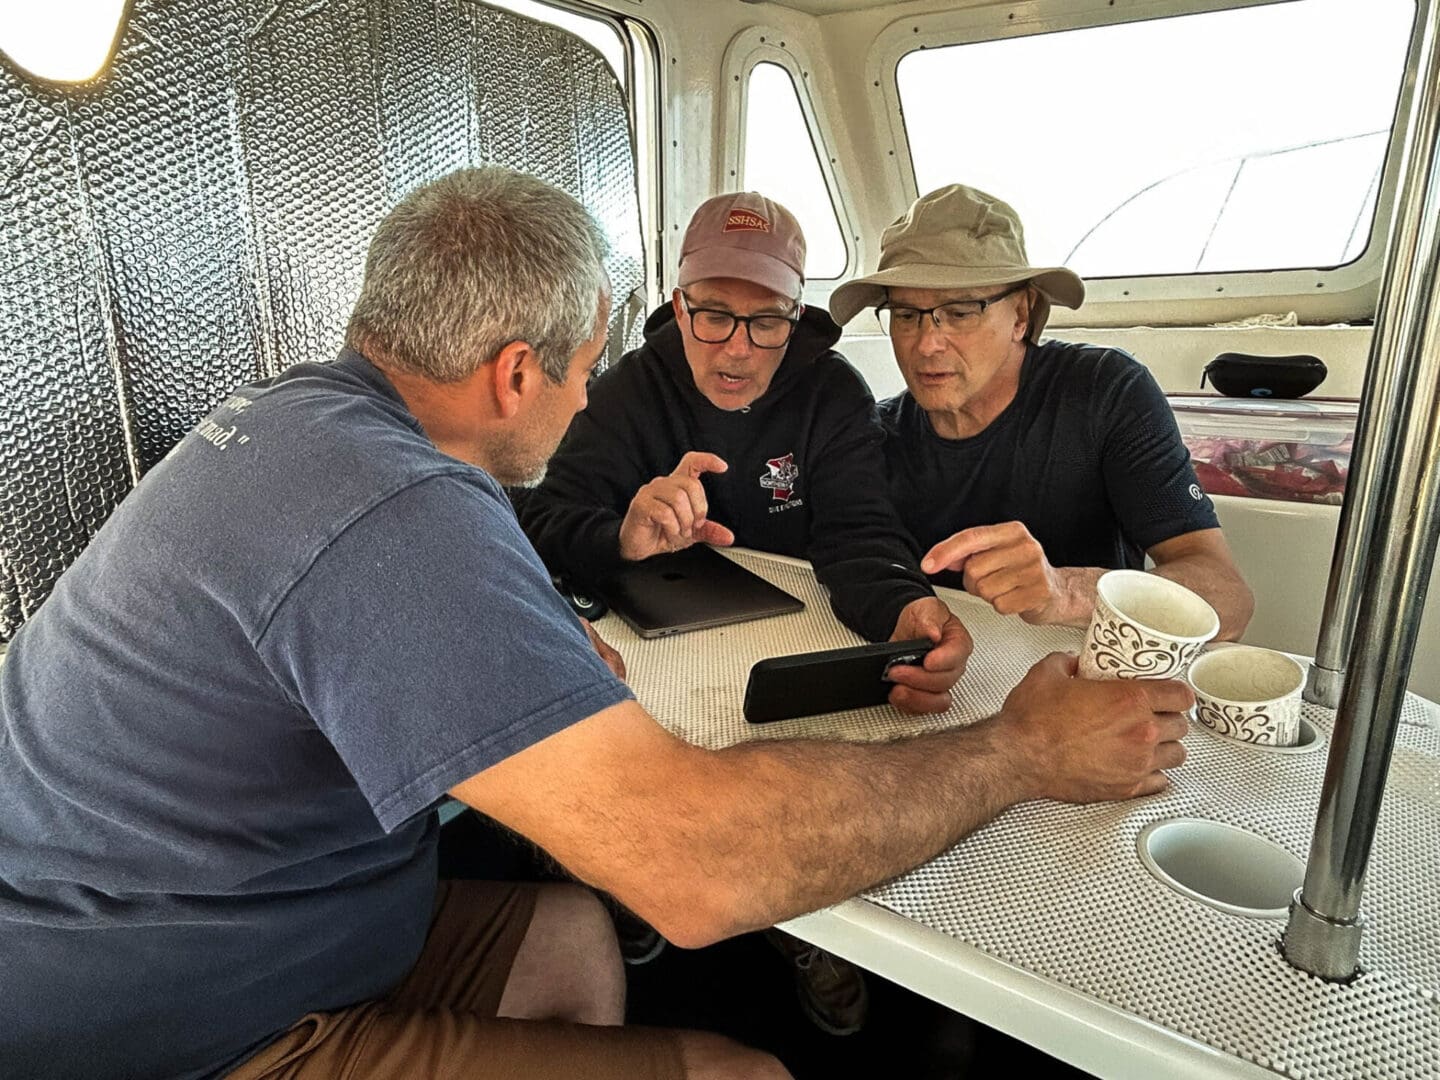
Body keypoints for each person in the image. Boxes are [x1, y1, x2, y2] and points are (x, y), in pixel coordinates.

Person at [0, 167, 1194, 1080]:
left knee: (574, 929)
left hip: (259, 911)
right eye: (579, 369)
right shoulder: (397, 505)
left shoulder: (298, 419)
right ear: (519, 373)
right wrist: (1022, 751)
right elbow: (696, 867)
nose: (587, 394)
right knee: (754, 1071)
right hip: (172, 1023)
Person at [515, 191, 972, 1032]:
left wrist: (907, 610)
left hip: (793, 651)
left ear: (796, 318)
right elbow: (543, 522)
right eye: (713, 315)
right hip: (651, 658)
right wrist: (624, 532)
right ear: (678, 304)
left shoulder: (830, 393)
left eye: (766, 322)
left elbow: (859, 534)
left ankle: (806, 929)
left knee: (814, 776)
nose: (736, 347)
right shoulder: (625, 392)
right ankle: (620, 890)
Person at [828, 184, 1254, 640]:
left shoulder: (1104, 392)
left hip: (1090, 679)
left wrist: (1064, 591)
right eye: (906, 315)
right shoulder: (878, 435)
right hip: (955, 676)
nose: (926, 343)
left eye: (961, 311)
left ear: (1022, 315)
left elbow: (1229, 599)